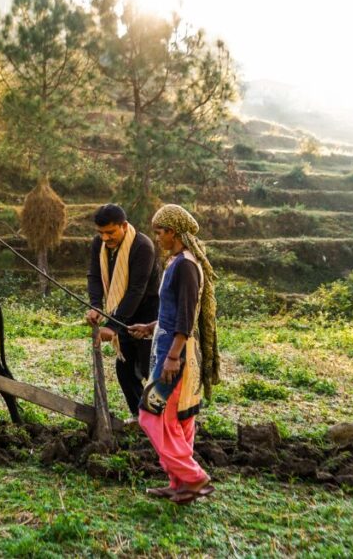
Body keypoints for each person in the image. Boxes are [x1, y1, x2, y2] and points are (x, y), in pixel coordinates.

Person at [127, 204, 220, 505]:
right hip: (171, 349)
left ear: (174, 232)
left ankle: (193, 477)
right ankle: (179, 484)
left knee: (150, 414)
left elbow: (186, 317)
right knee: (178, 421)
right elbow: (173, 313)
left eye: (160, 232)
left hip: (175, 356)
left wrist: (173, 357)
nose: (157, 237)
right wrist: (150, 326)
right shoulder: (179, 262)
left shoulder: (186, 266)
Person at [85, 203, 160, 420]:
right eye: (101, 233)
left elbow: (137, 289)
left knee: (150, 368)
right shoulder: (99, 244)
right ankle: (140, 416)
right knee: (124, 369)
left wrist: (112, 325)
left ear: (124, 226)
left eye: (110, 232)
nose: (105, 238)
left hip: (148, 313)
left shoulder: (142, 246)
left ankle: (165, 418)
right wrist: (96, 306)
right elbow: (94, 274)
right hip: (120, 312)